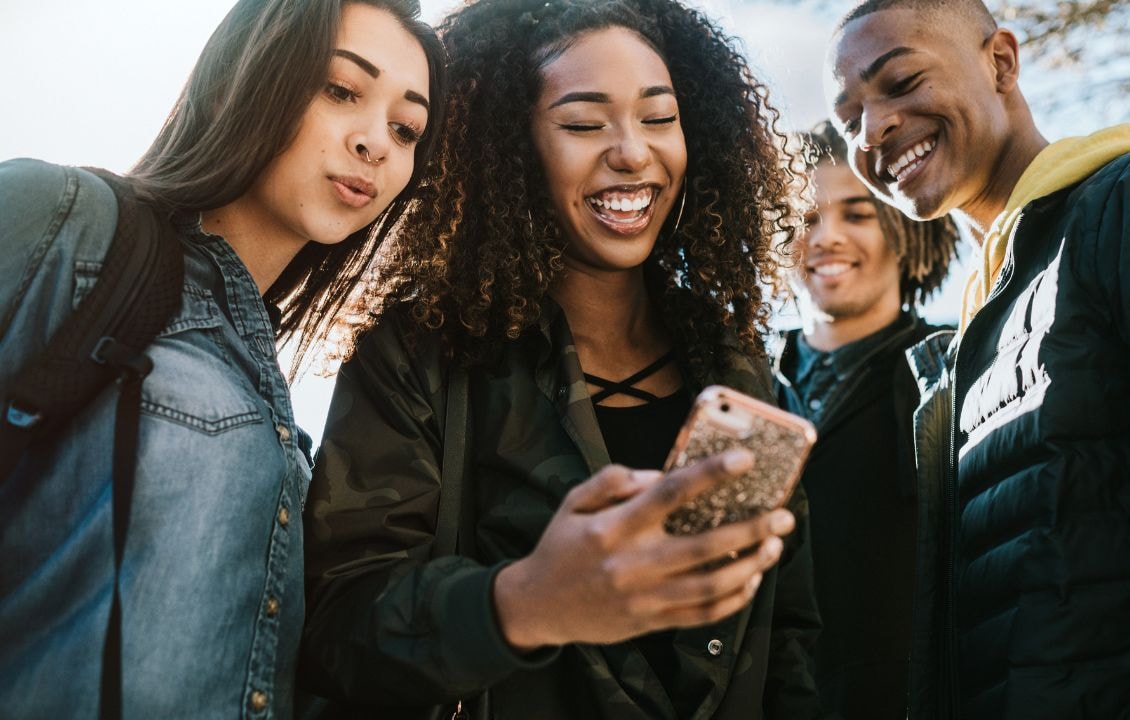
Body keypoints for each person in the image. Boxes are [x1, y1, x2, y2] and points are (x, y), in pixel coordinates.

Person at [299, 0, 822, 717]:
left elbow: (789, 638)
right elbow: (337, 629)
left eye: (659, 117)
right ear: (510, 149)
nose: (633, 151)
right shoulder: (420, 349)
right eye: (583, 123)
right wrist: (524, 604)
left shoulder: (734, 363)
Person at [825, 0, 1130, 718]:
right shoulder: (971, 337)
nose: (872, 128)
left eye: (902, 81)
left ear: (1001, 61)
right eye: (848, 120)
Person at [0, 1, 446, 716]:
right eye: (341, 90)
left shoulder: (285, 430)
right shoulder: (63, 220)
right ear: (252, 73)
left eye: (407, 128)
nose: (377, 144)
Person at [774, 120, 956, 719]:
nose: (825, 237)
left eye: (856, 214)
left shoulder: (958, 367)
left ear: (904, 229)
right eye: (806, 217)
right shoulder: (733, 376)